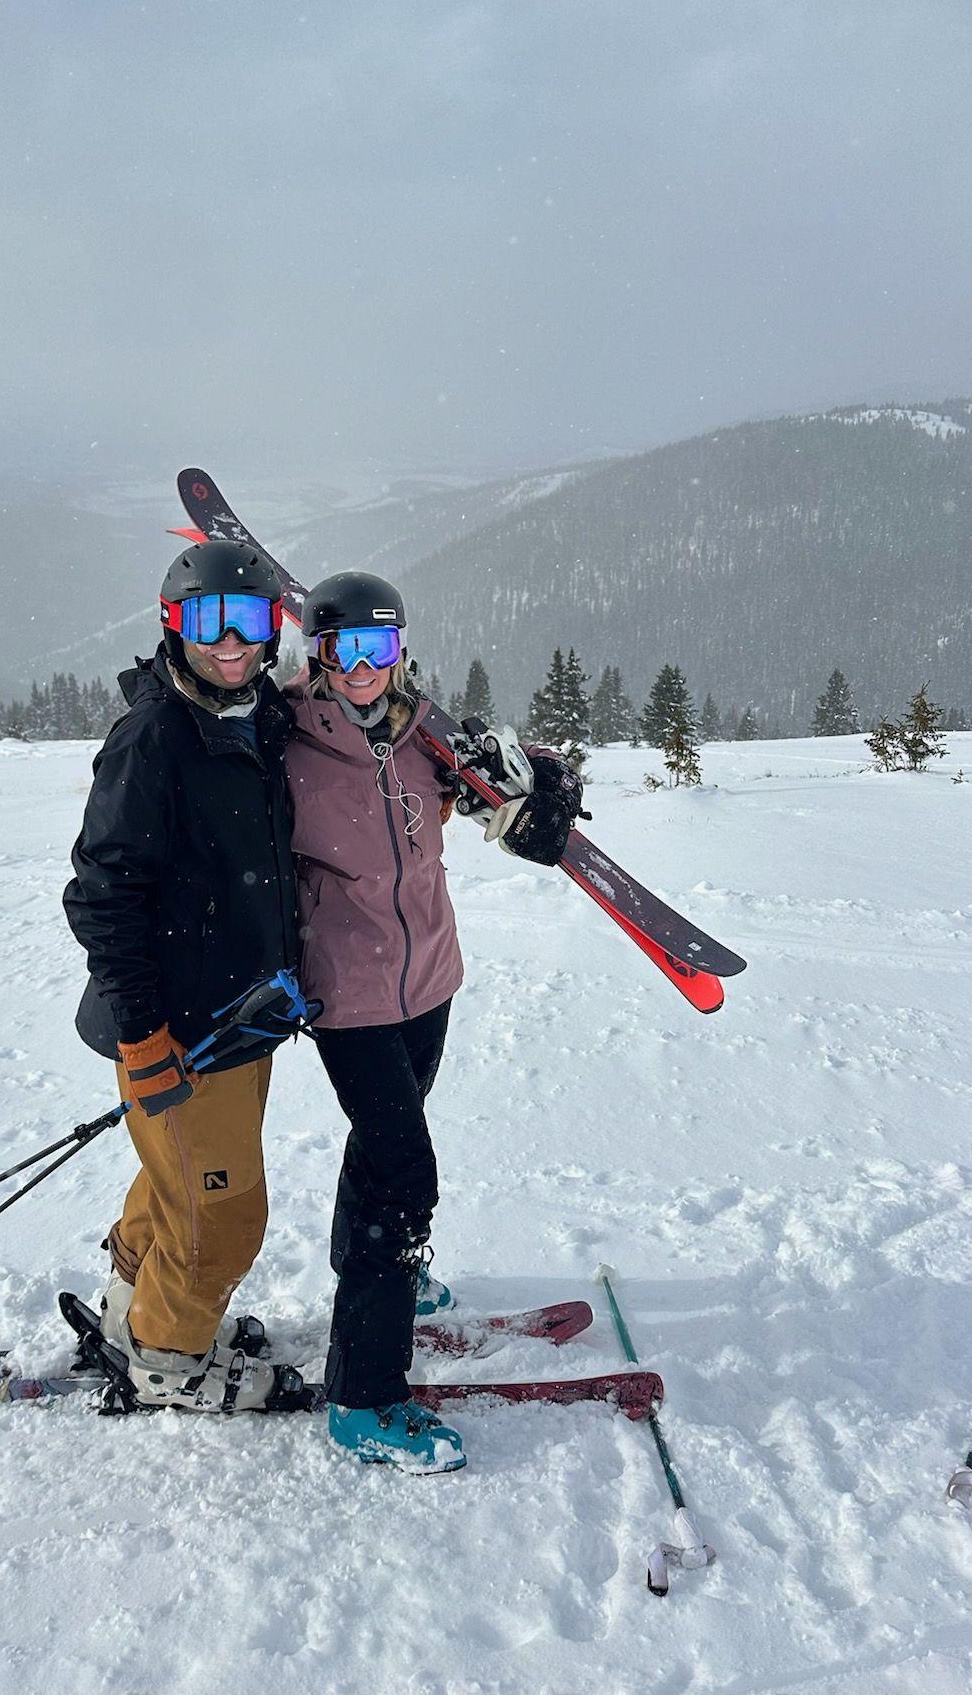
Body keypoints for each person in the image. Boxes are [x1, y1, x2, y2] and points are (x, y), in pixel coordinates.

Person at [284, 570, 583, 1471]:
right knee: (402, 1172)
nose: (364, 667)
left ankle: (386, 1279)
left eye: (380, 648)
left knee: (385, 1142)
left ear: (400, 650)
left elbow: (522, 789)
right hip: (348, 995)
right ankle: (364, 1394)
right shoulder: (288, 742)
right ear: (320, 654)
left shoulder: (427, 737)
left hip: (429, 981)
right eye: (345, 650)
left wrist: (544, 780)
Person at [61, 539, 304, 1412]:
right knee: (225, 1216)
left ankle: (136, 1310)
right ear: (175, 627)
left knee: (176, 1183)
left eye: (248, 621)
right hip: (178, 1028)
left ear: (274, 630)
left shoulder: (261, 714)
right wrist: (142, 1033)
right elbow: (101, 896)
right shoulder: (155, 737)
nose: (229, 642)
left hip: (239, 1017)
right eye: (208, 622)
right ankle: (168, 1358)